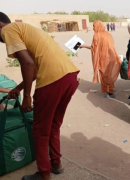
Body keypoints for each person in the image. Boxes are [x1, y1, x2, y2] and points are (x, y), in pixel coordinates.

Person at [0, 12, 79, 180]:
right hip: (70, 76)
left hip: (53, 81)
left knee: (40, 130)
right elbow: (33, 69)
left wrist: (27, 96)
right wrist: (19, 88)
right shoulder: (26, 29)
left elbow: (27, 64)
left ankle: (44, 174)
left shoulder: (8, 29)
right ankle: (56, 164)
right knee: (54, 125)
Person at [80, 21, 121, 98]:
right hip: (112, 56)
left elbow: (94, 48)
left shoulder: (97, 35)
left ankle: (110, 92)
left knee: (104, 75)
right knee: (109, 74)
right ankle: (110, 89)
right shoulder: (109, 34)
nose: (93, 28)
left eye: (94, 26)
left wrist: (84, 46)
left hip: (104, 58)